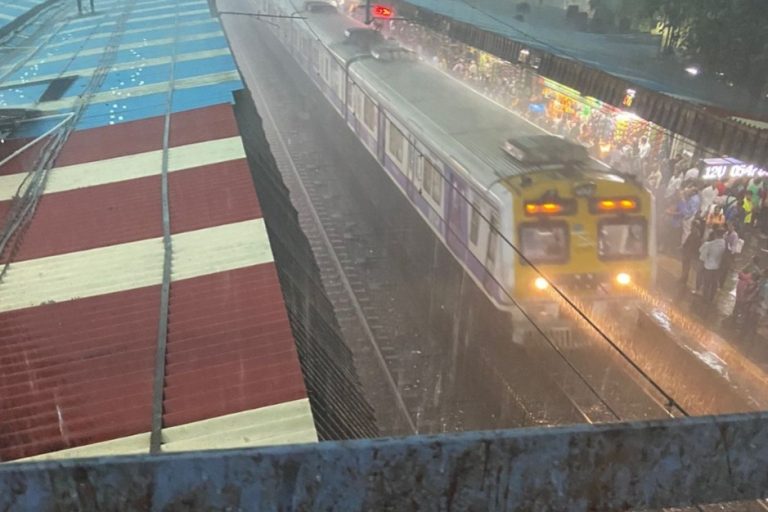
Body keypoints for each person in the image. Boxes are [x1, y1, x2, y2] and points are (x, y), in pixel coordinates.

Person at [698, 230, 726, 302]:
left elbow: (702, 256)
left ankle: (705, 298)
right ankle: (711, 298)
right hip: (718, 268)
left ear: (715, 235)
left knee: (706, 283)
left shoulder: (709, 244)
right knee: (714, 284)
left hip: (708, 267)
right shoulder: (724, 244)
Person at [681, 219, 704, 288]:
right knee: (685, 267)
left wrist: (690, 253)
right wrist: (684, 247)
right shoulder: (693, 233)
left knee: (687, 268)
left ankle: (685, 281)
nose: (691, 227)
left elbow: (695, 246)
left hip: (690, 254)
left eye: (692, 225)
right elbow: (687, 242)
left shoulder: (696, 235)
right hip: (687, 253)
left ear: (695, 226)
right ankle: (683, 279)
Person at [720, 223, 740, 288]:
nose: (730, 227)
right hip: (723, 252)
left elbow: (734, 246)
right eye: (729, 226)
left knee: (725, 270)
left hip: (728, 254)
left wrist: (730, 253)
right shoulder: (726, 233)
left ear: (734, 227)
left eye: (731, 226)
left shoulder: (735, 235)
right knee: (720, 267)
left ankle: (721, 284)